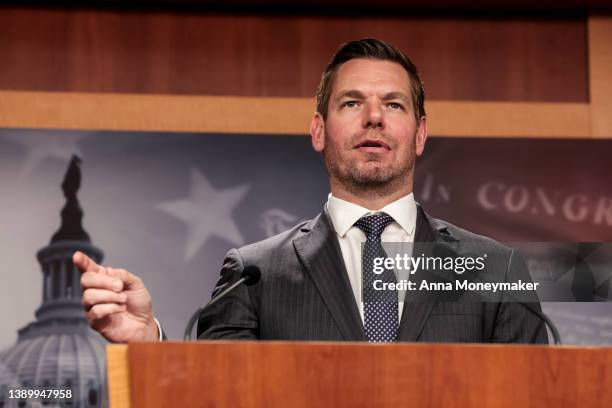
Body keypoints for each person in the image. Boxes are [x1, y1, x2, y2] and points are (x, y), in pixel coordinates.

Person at [75, 39, 548, 344]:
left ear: (420, 134)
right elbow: (214, 395)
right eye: (351, 102)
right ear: (319, 131)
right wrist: (149, 347)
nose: (374, 118)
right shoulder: (255, 273)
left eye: (393, 104)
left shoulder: (495, 270)